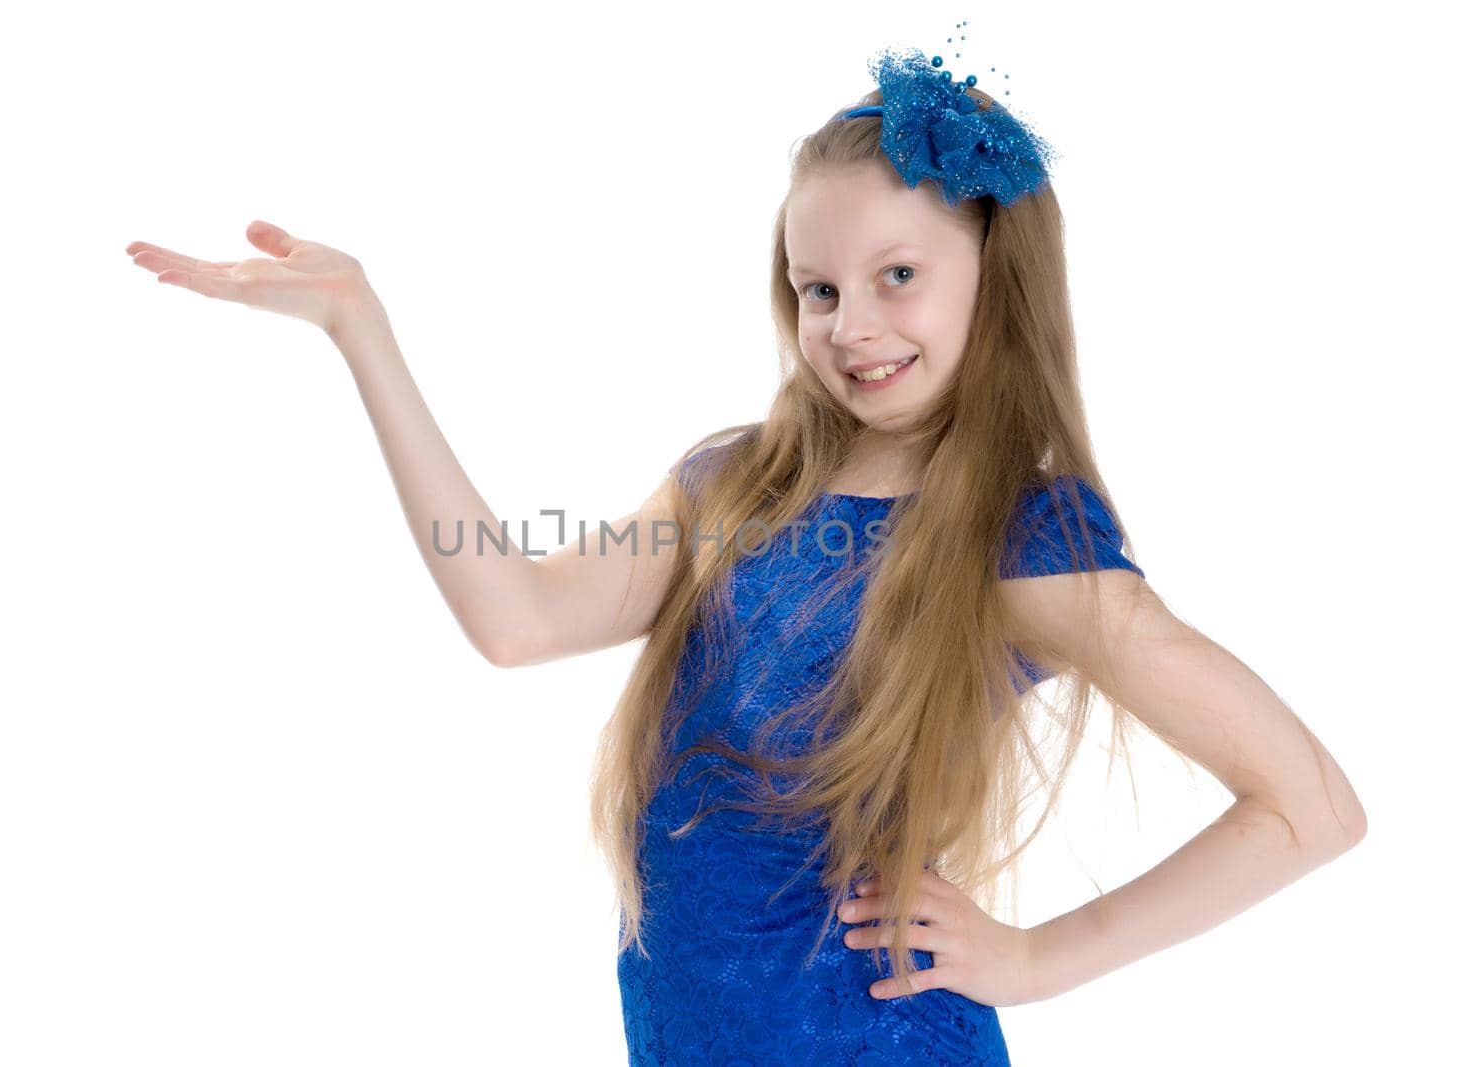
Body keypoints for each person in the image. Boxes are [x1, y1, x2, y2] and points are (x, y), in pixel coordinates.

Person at [126, 39, 1366, 1067]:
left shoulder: (1021, 542)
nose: (852, 326)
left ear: (995, 275)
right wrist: (363, 333)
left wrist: (1035, 955)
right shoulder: (735, 480)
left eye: (897, 276)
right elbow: (515, 618)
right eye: (816, 289)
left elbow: (1309, 807)